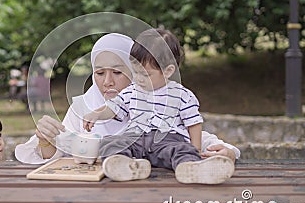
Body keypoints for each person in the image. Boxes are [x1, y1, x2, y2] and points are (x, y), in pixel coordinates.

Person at [15, 33, 240, 167]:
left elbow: (199, 140)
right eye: (100, 73)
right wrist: (47, 141)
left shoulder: (154, 99)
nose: (108, 82)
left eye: (118, 72)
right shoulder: (82, 108)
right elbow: (59, 153)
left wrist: (228, 152)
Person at [83, 29, 234, 184]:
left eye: (145, 74)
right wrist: (96, 114)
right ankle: (127, 166)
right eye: (135, 72)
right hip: (136, 137)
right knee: (110, 142)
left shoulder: (181, 95)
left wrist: (196, 150)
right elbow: (113, 108)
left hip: (167, 139)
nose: (139, 79)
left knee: (182, 150)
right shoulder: (131, 92)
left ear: (167, 71)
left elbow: (194, 123)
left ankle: (192, 167)